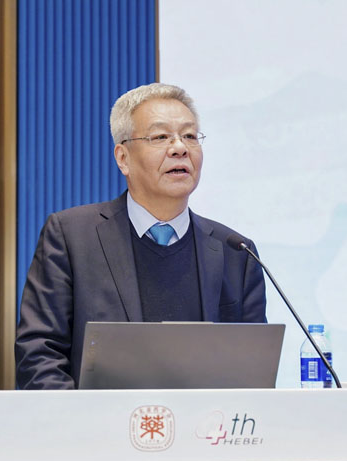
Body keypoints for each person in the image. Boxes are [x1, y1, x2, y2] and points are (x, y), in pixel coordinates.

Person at [15, 83, 267, 389]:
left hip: (205, 421)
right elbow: (39, 355)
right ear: (123, 158)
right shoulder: (71, 238)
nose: (179, 148)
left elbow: (251, 370)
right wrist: (83, 416)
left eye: (190, 136)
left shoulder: (236, 252)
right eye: (160, 137)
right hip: (97, 420)